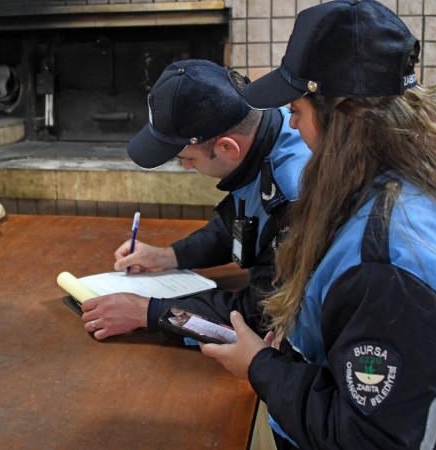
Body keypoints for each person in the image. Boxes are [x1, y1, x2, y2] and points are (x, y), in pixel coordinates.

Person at [200, 1, 436, 449]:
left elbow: (371, 437)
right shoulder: (430, 183)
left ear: (346, 116)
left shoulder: (386, 265)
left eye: (296, 109)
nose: (292, 125)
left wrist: (261, 367)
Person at [79, 60, 311, 340]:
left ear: (227, 148)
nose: (186, 167)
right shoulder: (268, 126)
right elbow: (243, 223)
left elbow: (262, 313)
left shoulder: (293, 198)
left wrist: (147, 312)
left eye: (188, 158)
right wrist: (169, 256)